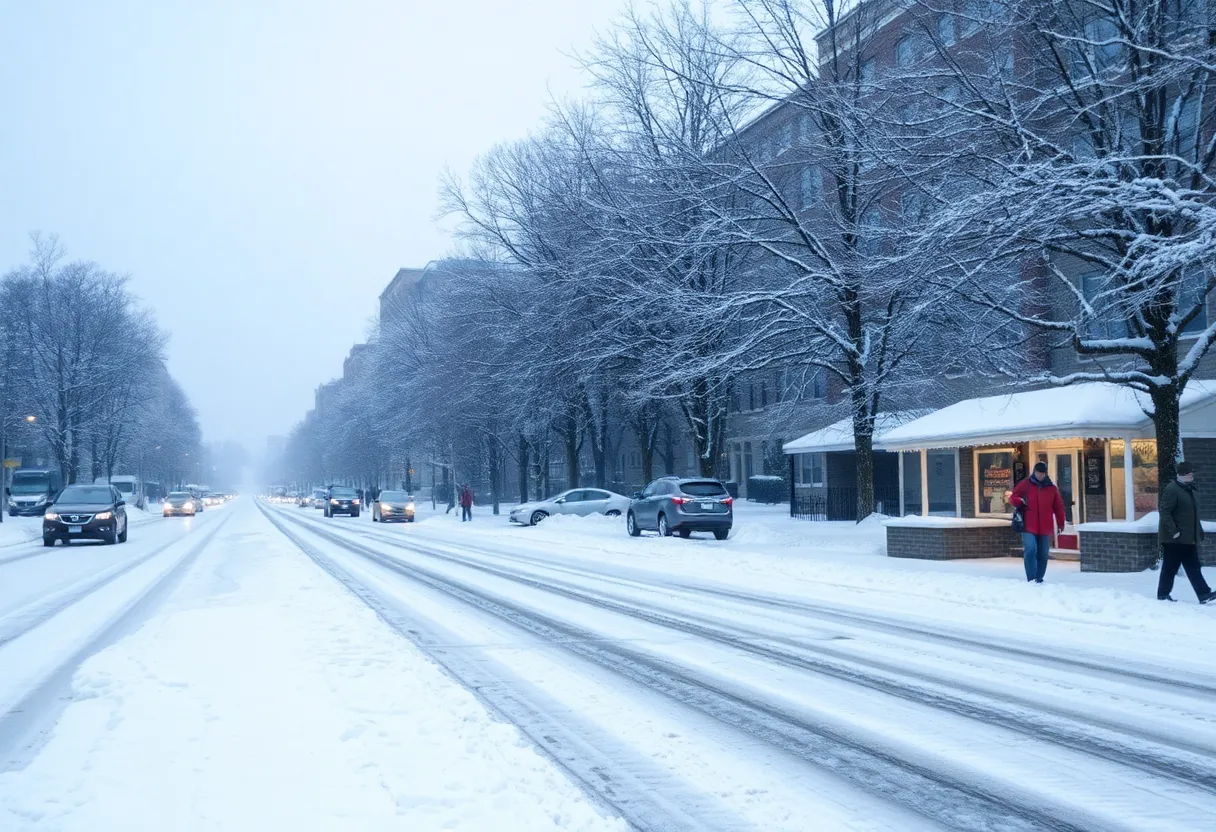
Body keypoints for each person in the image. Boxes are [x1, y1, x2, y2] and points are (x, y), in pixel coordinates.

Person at [1157, 461, 1216, 603]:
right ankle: (1163, 595)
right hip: (1174, 538)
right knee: (1170, 567)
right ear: (1182, 475)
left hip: (1187, 537)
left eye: (1191, 473)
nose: (1191, 475)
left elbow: (1193, 514)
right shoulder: (1172, 490)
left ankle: (1203, 594)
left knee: (1192, 566)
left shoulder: (1189, 489)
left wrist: (1199, 530)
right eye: (1189, 473)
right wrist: (1174, 531)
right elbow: (1165, 512)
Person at [1009, 461, 1066, 584]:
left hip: (1045, 526)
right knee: (1030, 549)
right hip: (1028, 524)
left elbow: (1058, 507)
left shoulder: (1052, 488)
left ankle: (1039, 578)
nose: (1039, 475)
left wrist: (1061, 523)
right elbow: (1013, 497)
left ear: (1045, 473)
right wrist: (1019, 502)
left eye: (1042, 473)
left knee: (1043, 553)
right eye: (1038, 473)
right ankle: (1031, 578)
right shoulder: (1026, 484)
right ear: (1034, 472)